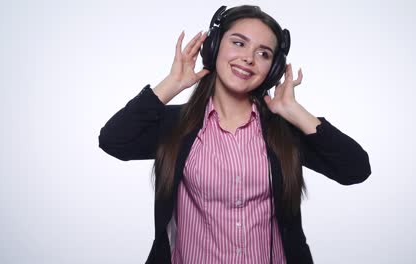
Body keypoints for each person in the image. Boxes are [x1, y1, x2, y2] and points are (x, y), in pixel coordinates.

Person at [99, 5, 371, 264]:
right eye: (238, 43)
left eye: (264, 54)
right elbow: (113, 140)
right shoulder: (177, 126)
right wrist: (172, 84)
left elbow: (355, 169)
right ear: (214, 46)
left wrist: (294, 110)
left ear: (273, 69)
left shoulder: (283, 131)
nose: (249, 58)